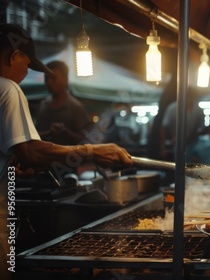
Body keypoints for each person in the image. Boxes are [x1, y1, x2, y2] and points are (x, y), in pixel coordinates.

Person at [0, 23, 133, 279]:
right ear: (14, 56)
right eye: (27, 66)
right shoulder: (8, 89)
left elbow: (20, 150)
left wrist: (15, 160)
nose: (26, 75)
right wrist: (92, 151)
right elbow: (30, 151)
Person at [36, 60, 92, 145]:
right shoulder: (43, 106)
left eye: (53, 78)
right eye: (47, 78)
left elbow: (86, 139)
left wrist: (66, 132)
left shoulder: (75, 107)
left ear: (65, 80)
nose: (49, 82)